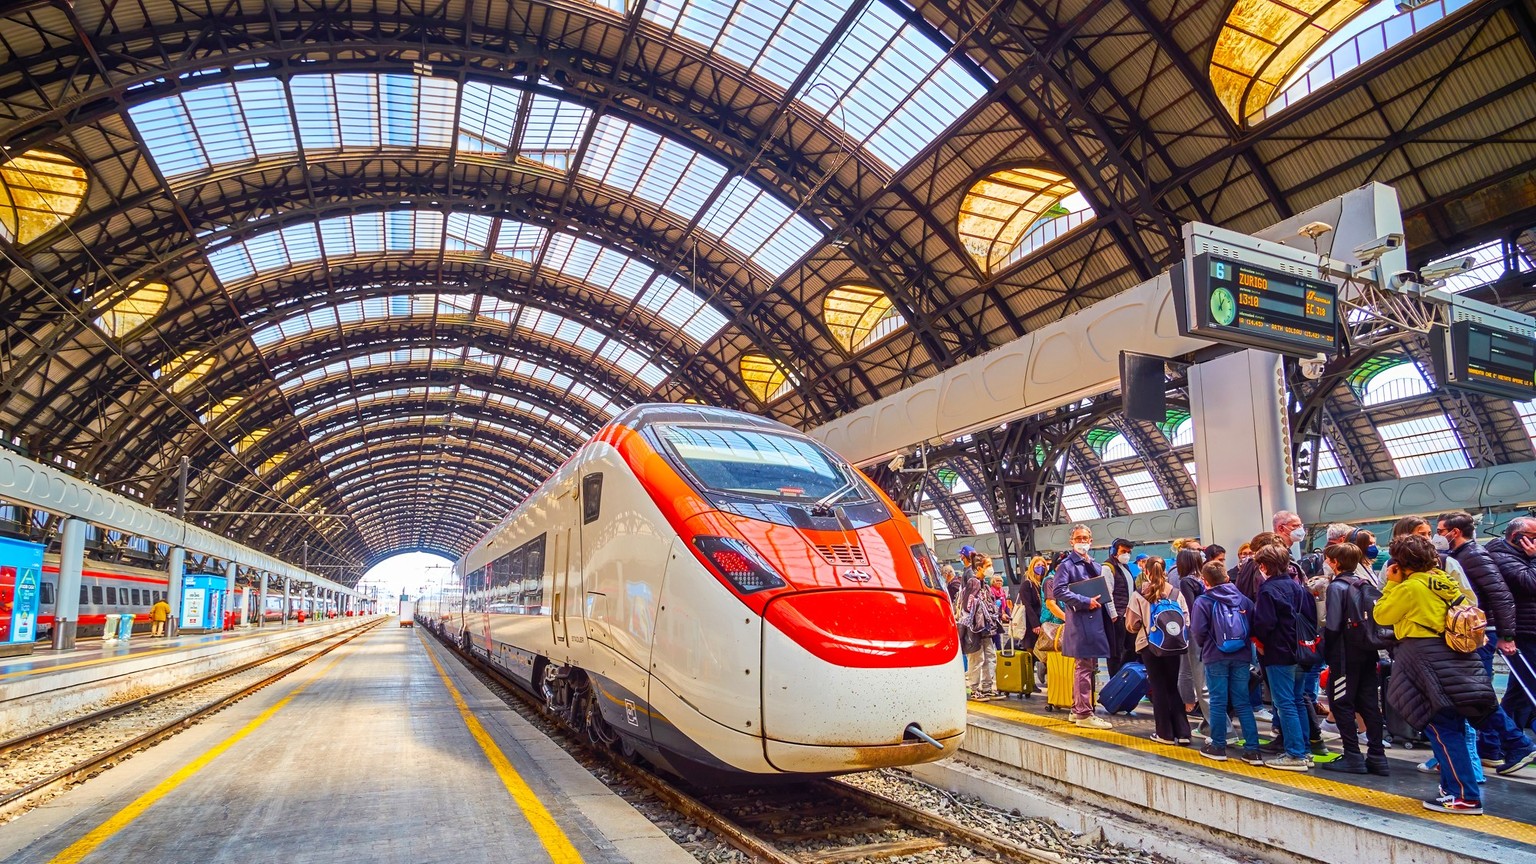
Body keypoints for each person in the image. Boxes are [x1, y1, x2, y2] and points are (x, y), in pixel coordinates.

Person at [1374, 533, 1497, 814]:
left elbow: (1383, 615)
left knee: (1441, 728)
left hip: (1425, 659)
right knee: (1451, 726)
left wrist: (1392, 585)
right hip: (1454, 657)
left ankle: (1464, 795)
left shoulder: (1411, 588)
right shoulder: (1444, 581)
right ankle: (1453, 787)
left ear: (1401, 563)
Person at [1320, 542, 1388, 775]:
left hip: (1344, 654)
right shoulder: (1364, 583)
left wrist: (1326, 650)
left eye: (1329, 560)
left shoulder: (1336, 587)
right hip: (1368, 650)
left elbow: (1333, 624)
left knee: (1341, 702)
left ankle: (1352, 755)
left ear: (1336, 562)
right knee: (1369, 702)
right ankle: (1377, 755)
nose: (1327, 563)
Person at [1251, 544, 1317, 771]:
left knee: (1284, 703)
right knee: (1298, 700)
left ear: (1264, 566)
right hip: (1302, 650)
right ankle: (1304, 750)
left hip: (1278, 652)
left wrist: (1258, 641)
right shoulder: (1299, 588)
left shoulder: (1268, 590)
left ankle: (1295, 754)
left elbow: (1264, 624)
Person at [1191, 560, 1262, 764]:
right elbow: (1253, 627)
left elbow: (1198, 631)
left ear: (1206, 581)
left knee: (1218, 701)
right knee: (1243, 702)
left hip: (1215, 656)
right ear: (1227, 578)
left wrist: (1208, 645)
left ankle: (1218, 746)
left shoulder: (1203, 601)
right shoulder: (1244, 600)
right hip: (1241, 655)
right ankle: (1253, 750)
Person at [1481, 516, 1536, 769]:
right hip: (1523, 632)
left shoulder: (1519, 557)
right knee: (1526, 691)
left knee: (1520, 693)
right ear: (1517, 537)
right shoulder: (1502, 557)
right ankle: (1510, 743)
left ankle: (1507, 744)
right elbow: (1530, 584)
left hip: (1527, 630)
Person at [1053, 525, 1114, 729]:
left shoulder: (1093, 564)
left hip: (1094, 621)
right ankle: (1084, 713)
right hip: (1082, 621)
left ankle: (1076, 709)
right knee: (1084, 667)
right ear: (1071, 542)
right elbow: (1059, 591)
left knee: (1087, 666)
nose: (1082, 541)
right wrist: (1084, 600)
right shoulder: (1066, 565)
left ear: (1091, 539)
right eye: (1078, 538)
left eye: (1085, 538)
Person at [1125, 557, 1191, 744]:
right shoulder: (1176, 593)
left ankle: (1165, 733)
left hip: (1150, 646)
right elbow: (1186, 620)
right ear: (1165, 570)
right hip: (1174, 645)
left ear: (1145, 571)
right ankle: (1183, 732)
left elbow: (1131, 624)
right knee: (1172, 686)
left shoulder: (1139, 594)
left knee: (1159, 688)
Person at [1173, 549, 1209, 733]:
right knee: (1198, 673)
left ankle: (1214, 724)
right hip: (1205, 631)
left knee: (1193, 674)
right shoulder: (1201, 580)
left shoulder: (1186, 581)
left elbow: (1190, 608)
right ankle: (1203, 718)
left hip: (1193, 631)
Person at [960, 570, 1001, 700]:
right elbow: (967, 606)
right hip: (975, 627)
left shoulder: (986, 585)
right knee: (977, 658)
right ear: (979, 568)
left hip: (986, 626)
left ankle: (987, 687)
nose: (991, 568)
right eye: (987, 565)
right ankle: (974, 689)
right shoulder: (973, 583)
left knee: (990, 656)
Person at [1101, 538, 1139, 676]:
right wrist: (1113, 615)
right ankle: (1114, 683)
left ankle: (1123, 677)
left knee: (1131, 649)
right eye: (1123, 551)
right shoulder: (1107, 567)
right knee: (1115, 652)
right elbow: (1107, 593)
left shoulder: (1125, 567)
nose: (1126, 554)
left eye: (1129, 552)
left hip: (1127, 615)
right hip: (1117, 616)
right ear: (1114, 551)